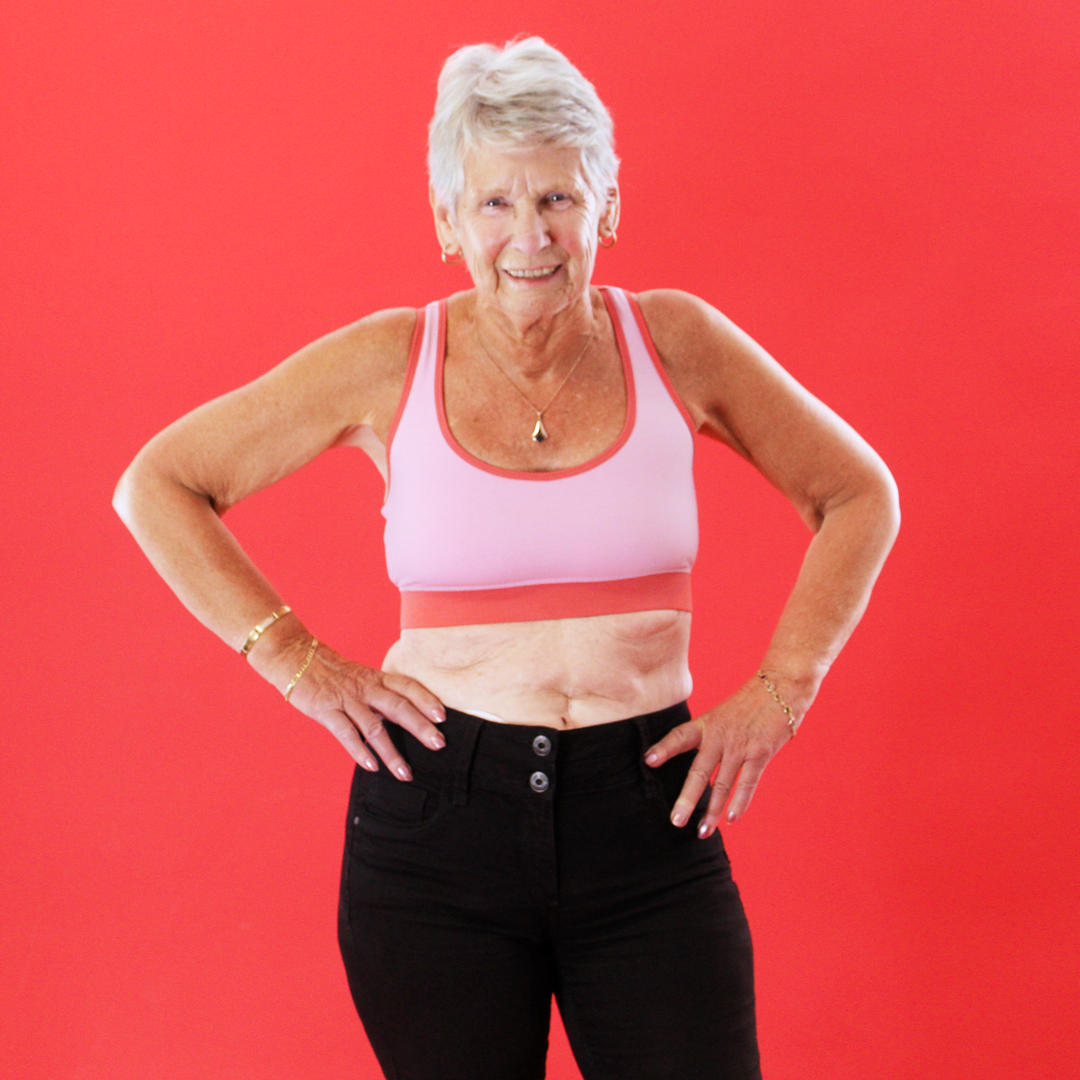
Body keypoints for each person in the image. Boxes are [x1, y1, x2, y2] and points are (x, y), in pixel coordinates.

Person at [114, 36, 899, 1080]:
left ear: (606, 207)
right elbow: (158, 484)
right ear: (447, 222)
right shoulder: (388, 359)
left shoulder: (677, 343)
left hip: (647, 818)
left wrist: (782, 687)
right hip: (437, 833)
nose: (529, 234)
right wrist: (297, 661)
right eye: (494, 204)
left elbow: (857, 494)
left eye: (559, 199)